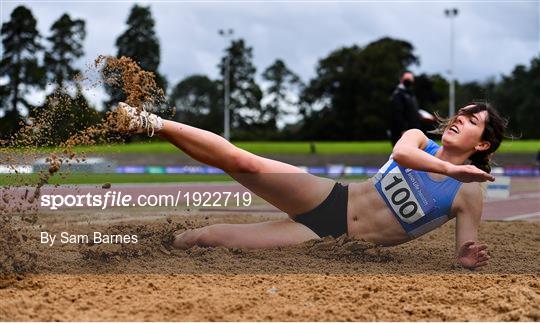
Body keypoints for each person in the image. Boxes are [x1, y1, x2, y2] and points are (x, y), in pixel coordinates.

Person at [115, 101, 507, 269]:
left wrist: (467, 259)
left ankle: (167, 244)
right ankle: (151, 123)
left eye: (472, 122)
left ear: (484, 143)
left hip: (334, 239)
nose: (460, 119)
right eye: (462, 113)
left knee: (211, 237)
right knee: (242, 161)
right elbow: (402, 156)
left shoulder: (469, 193)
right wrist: (453, 170)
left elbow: (464, 251)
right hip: (329, 197)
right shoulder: (418, 139)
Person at [390, 71, 421, 146]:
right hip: (402, 132)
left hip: (412, 130)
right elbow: (397, 113)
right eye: (407, 79)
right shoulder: (398, 94)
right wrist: (403, 129)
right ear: (401, 79)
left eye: (411, 79)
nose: (409, 81)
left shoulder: (410, 94)